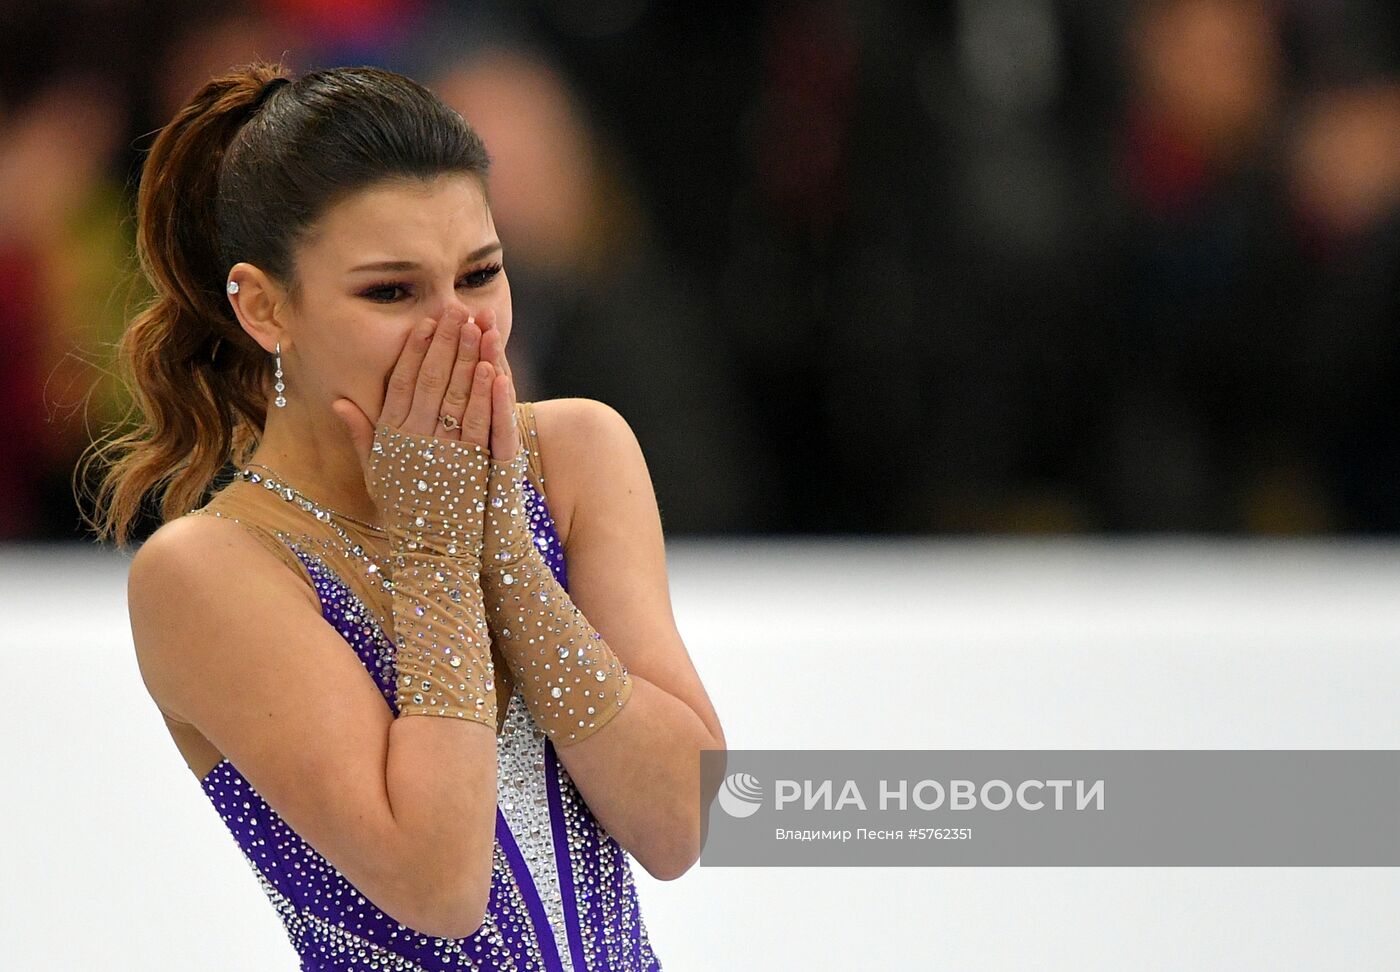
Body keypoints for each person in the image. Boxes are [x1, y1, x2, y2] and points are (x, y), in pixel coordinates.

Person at [94, 60, 726, 970]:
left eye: (480, 275)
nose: (459, 329)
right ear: (265, 307)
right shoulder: (211, 571)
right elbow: (438, 885)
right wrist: (434, 550)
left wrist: (502, 544)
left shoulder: (578, 455)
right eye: (392, 291)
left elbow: (682, 826)